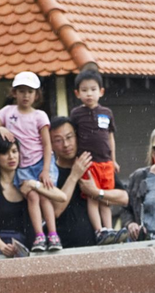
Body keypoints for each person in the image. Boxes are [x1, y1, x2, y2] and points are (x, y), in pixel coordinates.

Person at [0, 72, 59, 252]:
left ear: (36, 94)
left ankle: (53, 234)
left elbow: (47, 144)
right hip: (23, 167)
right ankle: (39, 236)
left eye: (30, 91)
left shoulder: (40, 115)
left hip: (40, 162)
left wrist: (45, 170)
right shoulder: (7, 112)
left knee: (44, 195)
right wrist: (1, 128)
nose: (25, 95)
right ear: (14, 93)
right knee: (32, 196)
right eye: (21, 91)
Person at [0, 134, 67, 257]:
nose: (11, 157)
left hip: (35, 248)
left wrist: (35, 184)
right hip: (3, 250)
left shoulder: (28, 180)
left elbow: (62, 197)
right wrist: (2, 247)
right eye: (5, 153)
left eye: (14, 151)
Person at [49, 116, 130, 248]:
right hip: (65, 248)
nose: (66, 144)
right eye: (58, 140)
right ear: (50, 145)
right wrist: (74, 176)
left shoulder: (94, 164)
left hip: (101, 247)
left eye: (69, 137)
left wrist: (97, 192)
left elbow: (124, 198)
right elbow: (55, 211)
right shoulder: (50, 172)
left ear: (77, 136)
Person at [69, 70, 118, 234]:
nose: (89, 94)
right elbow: (73, 137)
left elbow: (110, 138)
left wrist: (113, 160)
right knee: (92, 197)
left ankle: (109, 230)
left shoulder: (107, 113)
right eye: (84, 90)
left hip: (106, 163)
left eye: (93, 89)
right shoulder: (76, 114)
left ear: (101, 91)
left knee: (105, 199)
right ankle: (99, 230)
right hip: (88, 162)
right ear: (77, 93)